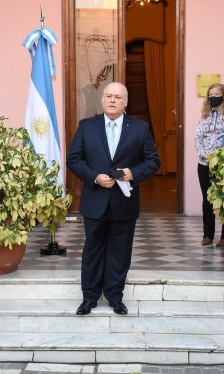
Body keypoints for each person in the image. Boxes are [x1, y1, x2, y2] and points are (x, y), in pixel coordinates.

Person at [67, 82, 160, 316]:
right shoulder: (87, 126)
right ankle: (89, 297)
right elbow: (74, 159)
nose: (112, 100)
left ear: (125, 102)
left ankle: (115, 297)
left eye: (118, 97)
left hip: (124, 202)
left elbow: (153, 162)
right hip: (95, 199)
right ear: (102, 100)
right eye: (108, 96)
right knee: (92, 250)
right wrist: (94, 177)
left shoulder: (140, 128)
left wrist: (132, 173)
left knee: (120, 251)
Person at [195, 83, 224, 247]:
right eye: (211, 94)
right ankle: (208, 234)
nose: (214, 96)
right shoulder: (205, 114)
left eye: (217, 93)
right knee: (207, 198)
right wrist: (204, 154)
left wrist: (219, 156)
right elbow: (198, 137)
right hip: (204, 162)